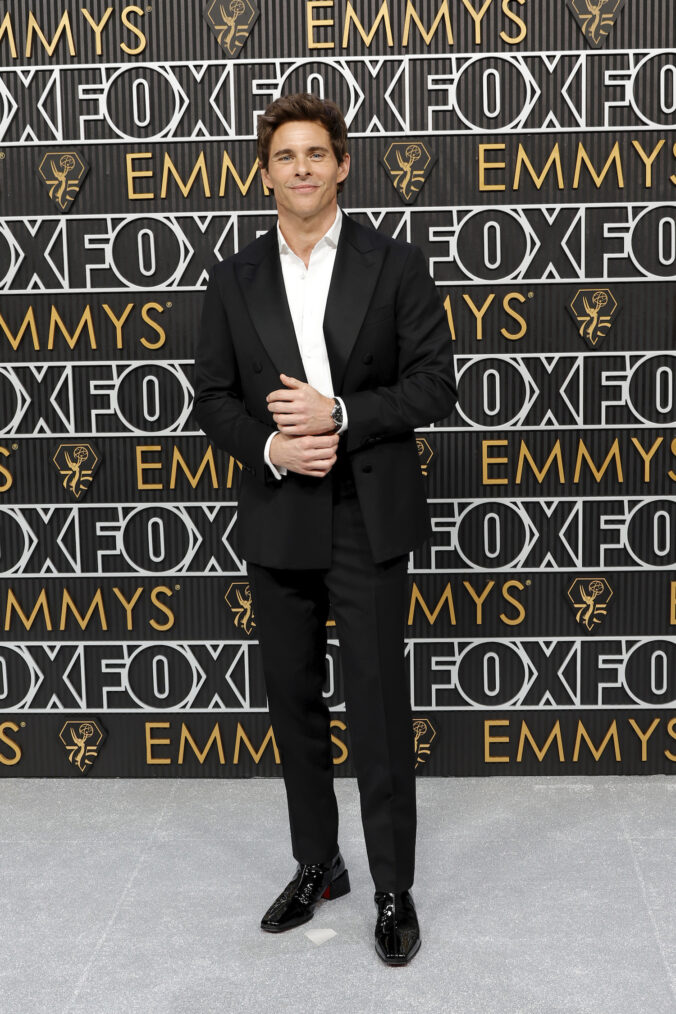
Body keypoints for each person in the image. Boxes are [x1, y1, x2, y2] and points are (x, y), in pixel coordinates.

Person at [193, 93, 457, 966]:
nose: (301, 168)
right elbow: (215, 403)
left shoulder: (396, 263)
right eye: (285, 156)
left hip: (365, 512)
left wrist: (339, 412)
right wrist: (272, 445)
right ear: (264, 172)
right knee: (294, 707)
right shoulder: (232, 277)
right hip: (279, 512)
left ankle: (392, 887)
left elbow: (433, 386)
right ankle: (320, 866)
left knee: (379, 709)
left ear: (343, 165)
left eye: (316, 153)